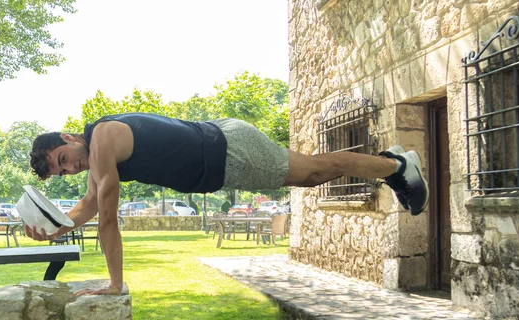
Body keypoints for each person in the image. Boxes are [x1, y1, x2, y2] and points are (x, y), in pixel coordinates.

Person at [26, 113, 429, 295]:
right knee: (313, 171)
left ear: (68, 136)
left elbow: (108, 220)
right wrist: (57, 226)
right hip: (223, 142)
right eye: (63, 172)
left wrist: (115, 284)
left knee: (314, 174)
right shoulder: (99, 148)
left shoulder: (102, 143)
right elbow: (88, 205)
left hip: (227, 154)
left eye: (64, 159)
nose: (71, 168)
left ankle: (395, 165)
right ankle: (391, 162)